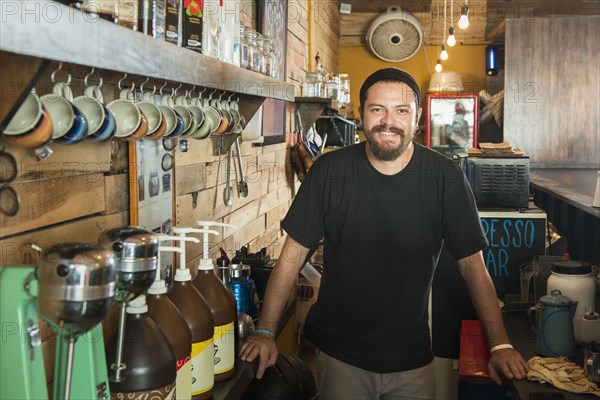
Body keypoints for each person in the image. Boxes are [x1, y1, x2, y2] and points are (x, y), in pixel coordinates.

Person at [240, 68, 529, 399]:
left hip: (413, 356)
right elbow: (292, 256)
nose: (388, 121)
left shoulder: (445, 177)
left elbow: (472, 266)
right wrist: (265, 330)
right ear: (361, 115)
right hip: (340, 354)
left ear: (417, 121)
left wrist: (500, 343)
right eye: (377, 109)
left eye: (401, 111)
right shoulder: (329, 172)